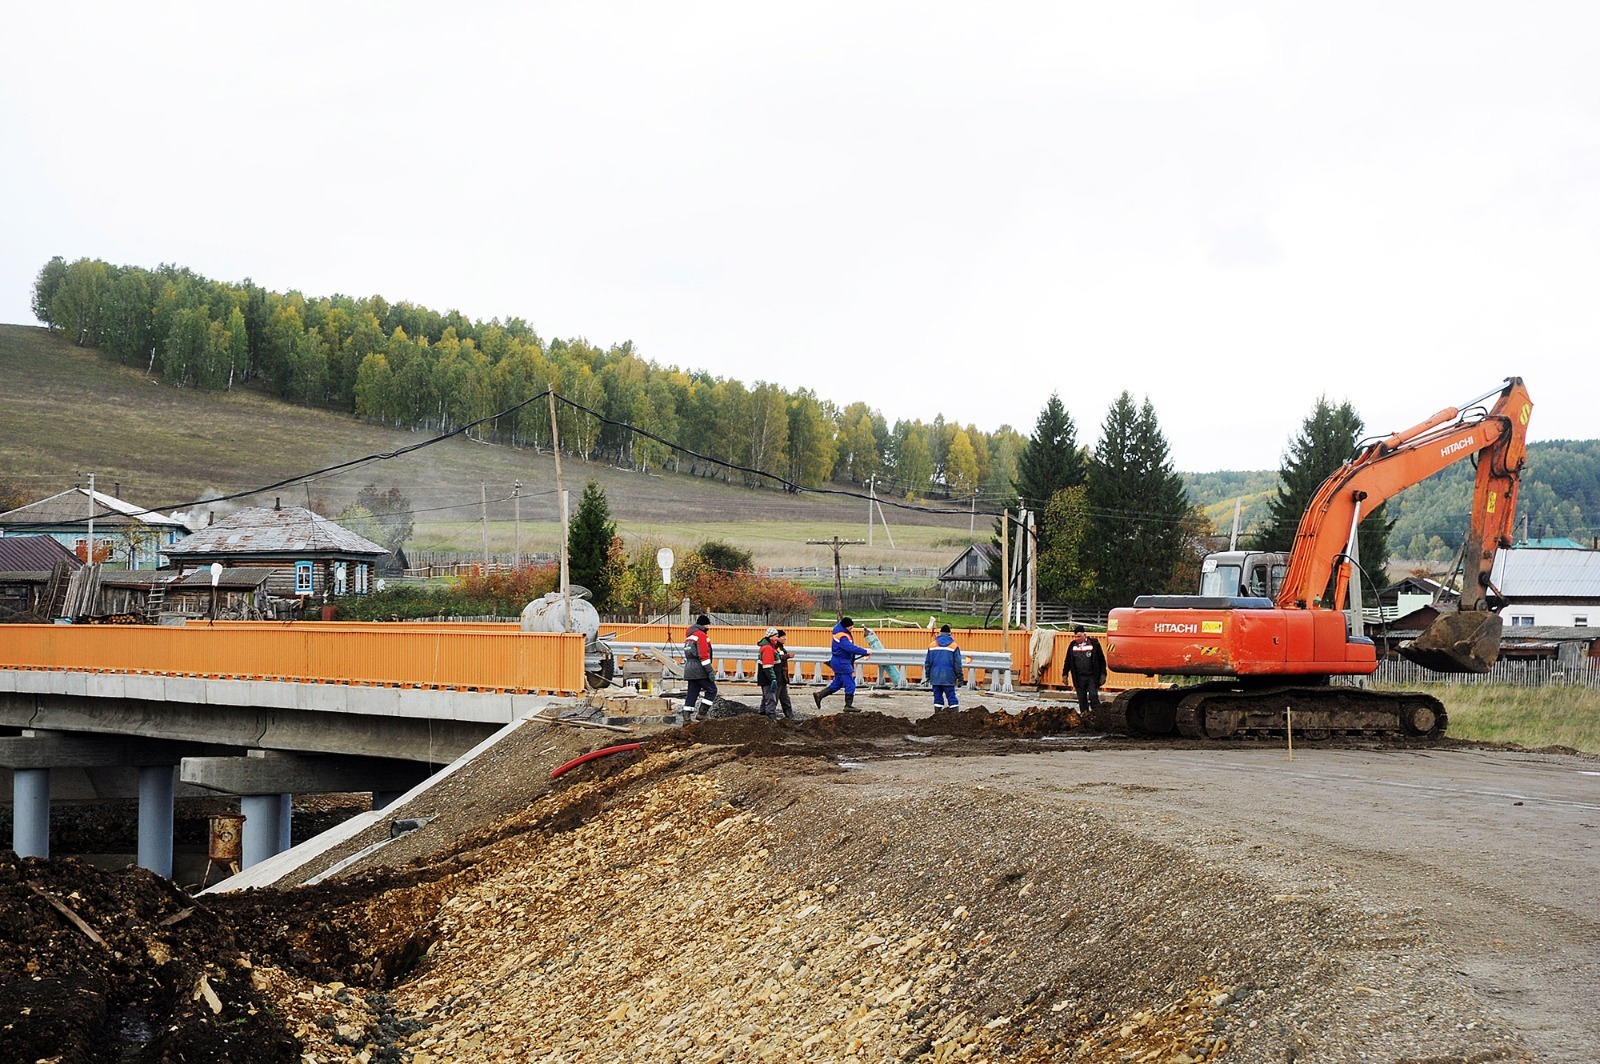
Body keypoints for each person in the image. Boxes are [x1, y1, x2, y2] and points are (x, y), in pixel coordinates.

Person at [813, 615, 870, 713]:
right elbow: (850, 648)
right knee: (850, 684)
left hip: (839, 662)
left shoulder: (840, 632)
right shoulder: (842, 636)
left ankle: (820, 695)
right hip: (842, 663)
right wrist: (865, 651)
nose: (852, 628)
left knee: (838, 683)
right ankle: (848, 705)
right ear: (846, 626)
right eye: (851, 626)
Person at [1065, 624, 1107, 718]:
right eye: (1075, 636)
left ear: (1085, 635)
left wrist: (1103, 674)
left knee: (1093, 696)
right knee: (1082, 698)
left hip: (1091, 675)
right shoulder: (1073, 646)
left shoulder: (1094, 644)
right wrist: (1065, 674)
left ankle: (1098, 716)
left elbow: (1101, 660)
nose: (1077, 638)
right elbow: (1067, 661)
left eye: (1079, 636)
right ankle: (1085, 717)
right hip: (1079, 677)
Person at [923, 623, 965, 711]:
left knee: (937, 698)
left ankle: (937, 718)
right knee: (951, 697)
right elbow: (958, 665)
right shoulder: (954, 646)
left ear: (940, 633)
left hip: (935, 676)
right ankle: (955, 717)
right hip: (949, 677)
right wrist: (960, 678)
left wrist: (928, 676)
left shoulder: (932, 645)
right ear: (950, 633)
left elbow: (927, 663)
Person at [683, 614, 717, 720]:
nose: (709, 627)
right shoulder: (701, 636)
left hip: (689, 669)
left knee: (692, 693)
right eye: (708, 625)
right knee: (712, 690)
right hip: (699, 670)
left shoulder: (690, 636)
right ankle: (702, 714)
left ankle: (686, 718)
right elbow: (704, 655)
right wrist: (710, 671)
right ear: (705, 625)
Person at [756, 627, 784, 719]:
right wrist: (773, 679)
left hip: (766, 678)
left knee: (766, 698)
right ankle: (770, 718)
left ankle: (762, 716)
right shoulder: (768, 648)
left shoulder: (769, 646)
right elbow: (768, 666)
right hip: (768, 679)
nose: (777, 638)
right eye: (776, 636)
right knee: (770, 698)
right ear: (771, 637)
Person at [770, 629, 794, 719]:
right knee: (774, 698)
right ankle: (769, 717)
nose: (785, 638)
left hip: (782, 677)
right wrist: (787, 656)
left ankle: (790, 717)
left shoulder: (781, 647)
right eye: (782, 636)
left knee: (785, 699)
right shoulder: (774, 647)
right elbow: (776, 658)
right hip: (777, 676)